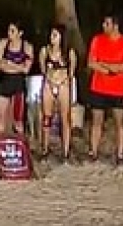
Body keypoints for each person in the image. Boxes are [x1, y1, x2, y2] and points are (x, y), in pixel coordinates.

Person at [86, 13, 123, 163]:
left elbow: (122, 67)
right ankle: (93, 152)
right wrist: (108, 70)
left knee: (119, 122)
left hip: (118, 89)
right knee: (96, 120)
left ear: (115, 26)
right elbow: (91, 62)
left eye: (107, 24)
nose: (103, 26)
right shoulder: (97, 40)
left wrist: (103, 64)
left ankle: (120, 154)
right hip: (98, 87)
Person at [38, 25, 76, 160]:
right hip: (49, 83)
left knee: (65, 118)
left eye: (55, 35)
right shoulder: (45, 51)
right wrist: (51, 81)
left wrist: (62, 81)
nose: (52, 38)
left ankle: (65, 151)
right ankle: (45, 149)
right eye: (51, 35)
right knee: (46, 117)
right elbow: (43, 69)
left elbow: (71, 72)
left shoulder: (69, 52)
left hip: (63, 84)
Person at [0, 21, 33, 137]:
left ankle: (20, 143)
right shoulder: (3, 43)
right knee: (2, 118)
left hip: (18, 84)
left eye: (12, 31)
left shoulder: (27, 47)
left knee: (18, 121)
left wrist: (9, 63)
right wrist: (18, 66)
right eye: (9, 30)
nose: (9, 33)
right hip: (4, 81)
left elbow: (26, 69)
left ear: (20, 33)